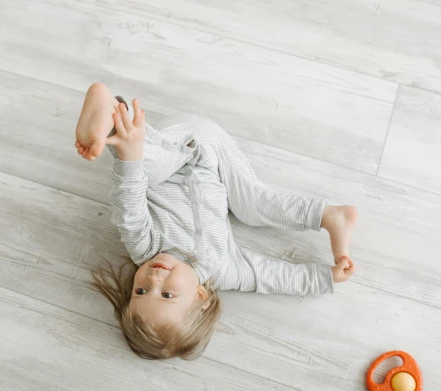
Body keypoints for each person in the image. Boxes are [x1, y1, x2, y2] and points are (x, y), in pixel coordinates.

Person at [75, 83, 358, 360]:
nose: (153, 278)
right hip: (211, 153)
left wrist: (130, 158)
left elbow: (129, 207)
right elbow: (272, 276)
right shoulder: (224, 269)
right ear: (200, 295)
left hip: (178, 145)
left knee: (146, 171)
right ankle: (329, 215)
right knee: (253, 204)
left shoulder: (145, 248)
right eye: (167, 294)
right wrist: (325, 277)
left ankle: (112, 118)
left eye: (141, 291)